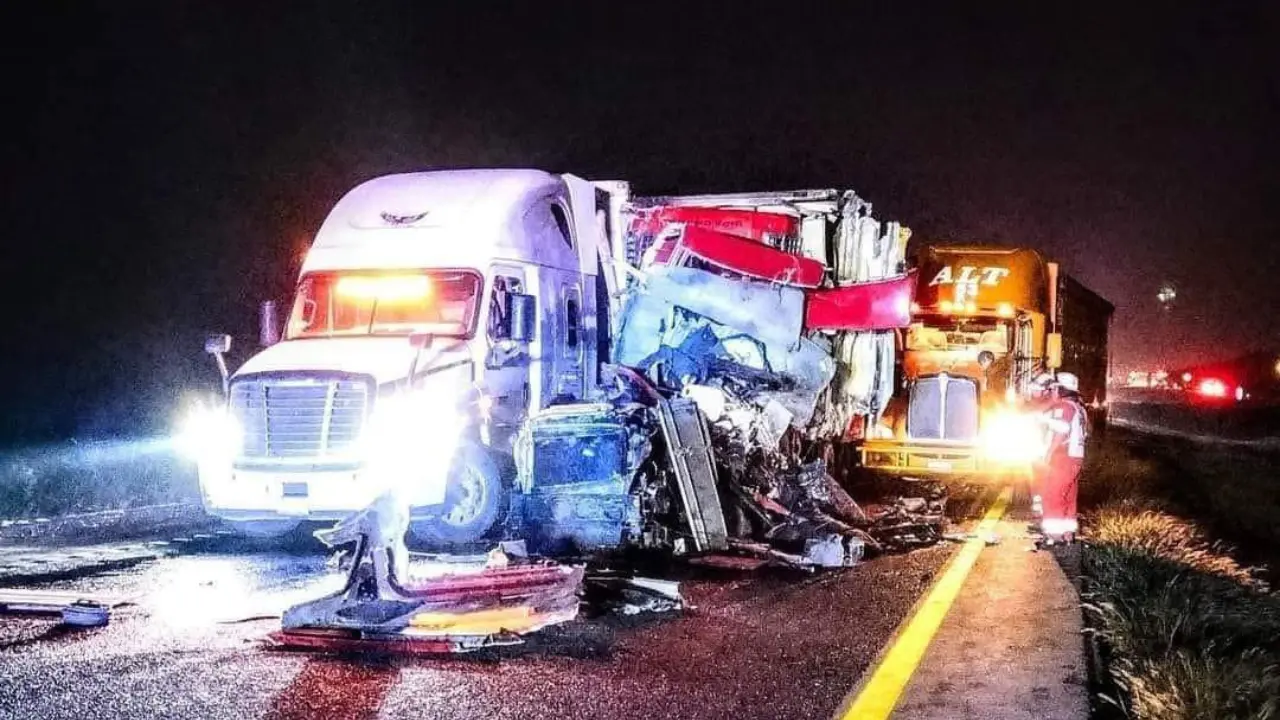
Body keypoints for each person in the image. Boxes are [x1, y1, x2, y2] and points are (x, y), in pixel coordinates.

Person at [1036, 372, 1087, 543]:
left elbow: (1062, 430)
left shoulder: (1063, 407)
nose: (1051, 392)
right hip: (1075, 458)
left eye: (1053, 389)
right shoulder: (1078, 408)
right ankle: (1068, 535)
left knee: (1053, 495)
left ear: (1060, 389)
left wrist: (1049, 453)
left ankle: (1054, 537)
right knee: (1069, 497)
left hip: (1062, 458)